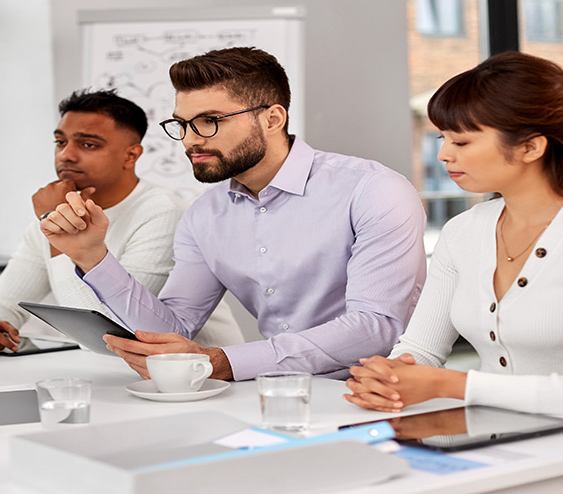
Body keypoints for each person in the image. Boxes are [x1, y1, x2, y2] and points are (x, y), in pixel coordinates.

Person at [40, 47, 427, 381]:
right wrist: (91, 256)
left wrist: (225, 362)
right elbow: (172, 329)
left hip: (378, 392)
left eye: (209, 122)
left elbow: (376, 327)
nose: (190, 140)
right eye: (183, 124)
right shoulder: (204, 216)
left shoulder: (373, 190)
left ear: (272, 119)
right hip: (271, 393)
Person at [344, 52, 563, 424]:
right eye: (442, 138)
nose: (443, 154)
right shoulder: (463, 231)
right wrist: (388, 376)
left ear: (530, 147)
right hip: (492, 446)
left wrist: (452, 385)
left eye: (461, 142)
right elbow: (419, 351)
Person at [0, 89, 243, 355]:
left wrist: (56, 225)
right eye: (60, 142)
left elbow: (105, 333)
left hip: (204, 379)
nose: (66, 154)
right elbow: (3, 304)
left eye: (88, 144)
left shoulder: (163, 212)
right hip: (120, 376)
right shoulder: (54, 213)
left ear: (131, 155)